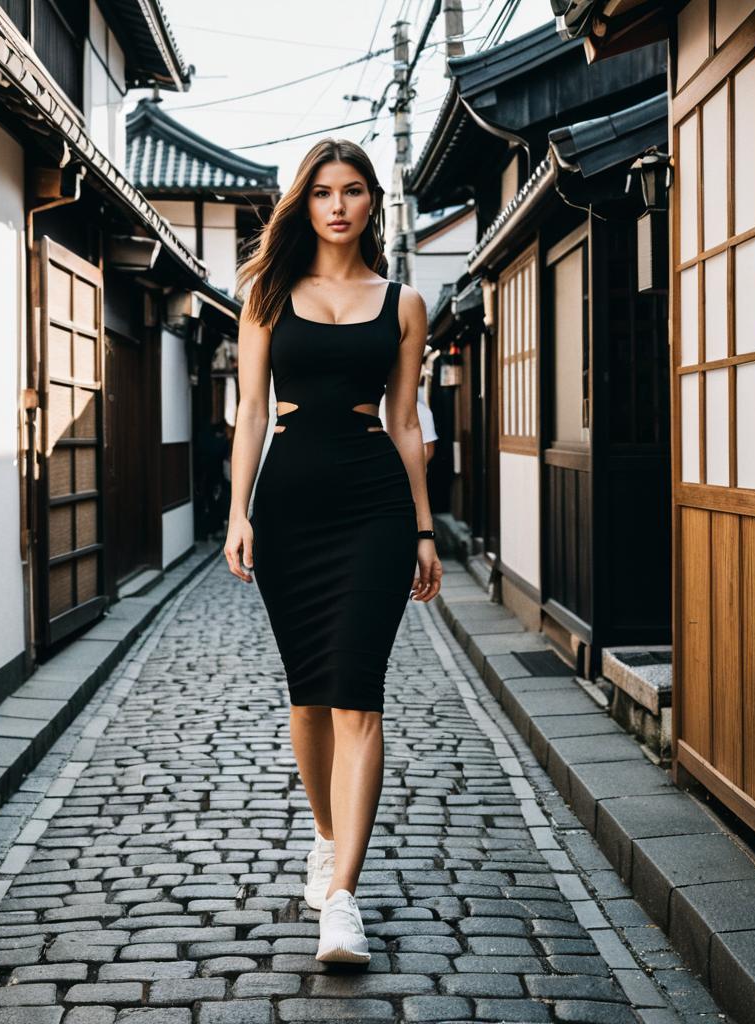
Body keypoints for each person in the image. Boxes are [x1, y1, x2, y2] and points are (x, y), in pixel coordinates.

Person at [223, 138, 443, 966]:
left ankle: (343, 899)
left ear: (371, 202)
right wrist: (238, 512)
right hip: (288, 507)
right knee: (310, 694)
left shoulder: (405, 304)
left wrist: (424, 529)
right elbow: (251, 412)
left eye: (352, 190)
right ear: (304, 203)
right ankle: (325, 835)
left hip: (375, 505)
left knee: (358, 694)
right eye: (322, 192)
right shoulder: (266, 295)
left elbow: (405, 421)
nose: (338, 205)